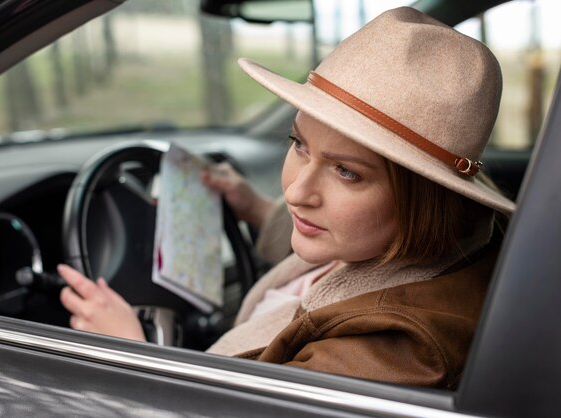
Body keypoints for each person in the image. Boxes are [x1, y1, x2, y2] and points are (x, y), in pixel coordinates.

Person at [58, 7, 516, 389]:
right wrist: (254, 209)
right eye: (299, 145)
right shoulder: (425, 241)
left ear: (424, 197)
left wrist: (135, 357)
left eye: (346, 171)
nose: (296, 191)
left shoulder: (396, 349)